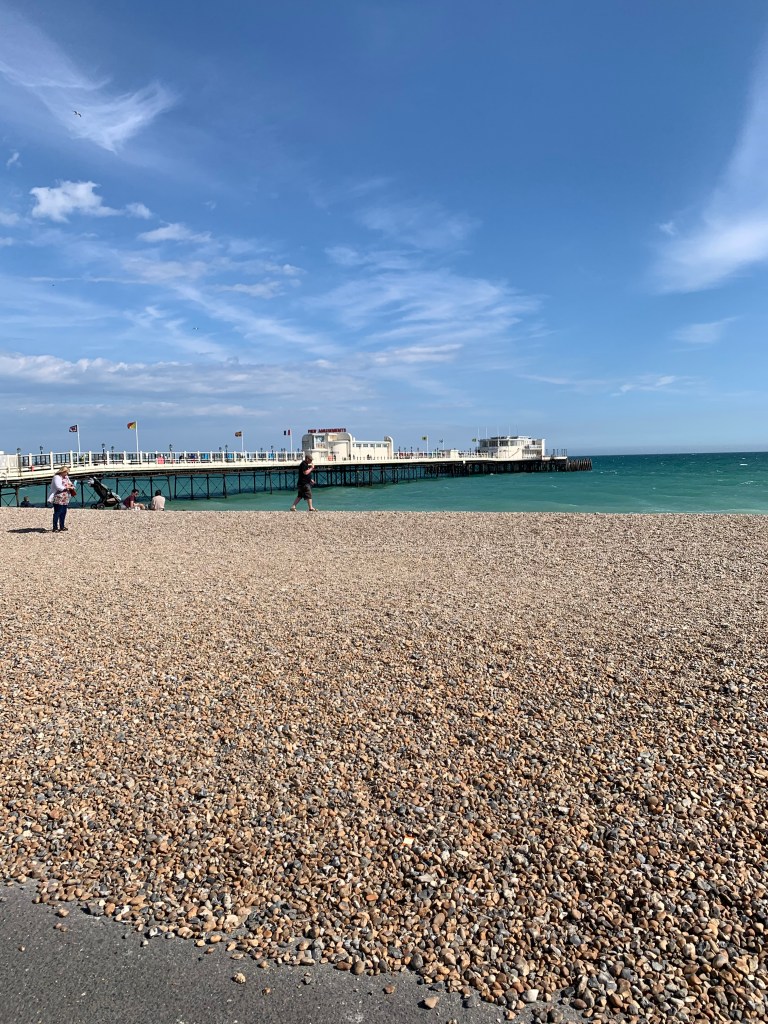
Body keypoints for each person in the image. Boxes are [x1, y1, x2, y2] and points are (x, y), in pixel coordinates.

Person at [47, 466, 76, 532]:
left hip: (65, 497)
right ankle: (55, 527)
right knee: (57, 512)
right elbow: (58, 487)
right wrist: (67, 487)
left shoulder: (66, 477)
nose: (67, 474)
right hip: (58, 496)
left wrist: (72, 486)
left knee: (64, 512)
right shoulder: (56, 477)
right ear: (62, 471)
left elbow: (70, 483)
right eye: (66, 472)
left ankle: (62, 526)